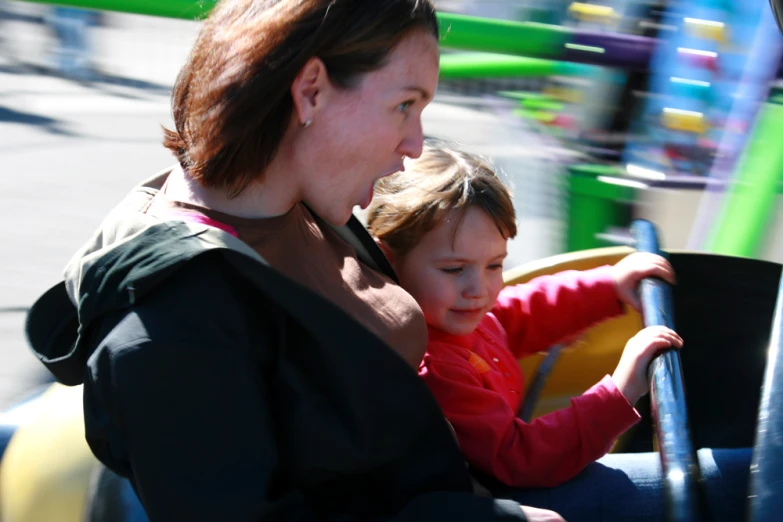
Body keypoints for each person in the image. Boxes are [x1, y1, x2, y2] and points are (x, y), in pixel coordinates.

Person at [24, 1, 563, 521]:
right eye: (405, 105)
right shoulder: (173, 323)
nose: (416, 145)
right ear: (311, 92)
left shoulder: (299, 202)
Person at [366, 143, 752, 521]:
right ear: (389, 259)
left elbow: (516, 313)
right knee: (742, 478)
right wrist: (620, 390)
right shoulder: (434, 366)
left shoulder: (451, 314)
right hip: (505, 498)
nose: (478, 289)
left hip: (516, 479)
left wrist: (610, 286)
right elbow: (518, 457)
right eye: (454, 269)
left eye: (495, 265)